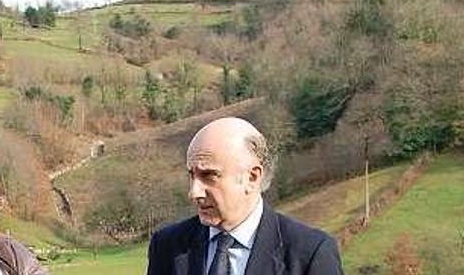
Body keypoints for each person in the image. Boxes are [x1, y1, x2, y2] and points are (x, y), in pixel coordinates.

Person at [146, 117, 343, 275]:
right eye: (192, 176)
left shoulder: (310, 253)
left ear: (252, 177)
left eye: (209, 175)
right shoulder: (167, 247)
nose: (194, 192)